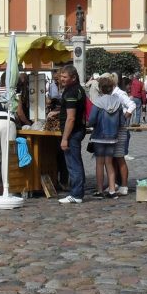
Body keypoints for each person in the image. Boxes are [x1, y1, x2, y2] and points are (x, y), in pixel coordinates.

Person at [0, 74, 28, 197]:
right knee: (8, 156)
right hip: (7, 122)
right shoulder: (14, 91)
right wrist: (28, 123)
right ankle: (9, 189)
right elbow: (19, 112)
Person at [87, 75, 124, 198]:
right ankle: (112, 190)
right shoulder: (118, 103)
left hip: (99, 136)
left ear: (101, 89)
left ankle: (99, 190)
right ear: (112, 88)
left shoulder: (98, 102)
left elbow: (91, 120)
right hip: (112, 137)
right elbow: (121, 122)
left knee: (99, 163)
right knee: (109, 163)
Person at [58, 65, 87, 205]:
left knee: (73, 164)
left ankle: (76, 194)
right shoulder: (78, 89)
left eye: (65, 77)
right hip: (78, 130)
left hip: (72, 132)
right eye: (61, 76)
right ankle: (78, 191)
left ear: (73, 77)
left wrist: (65, 138)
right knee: (76, 162)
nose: (61, 79)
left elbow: (71, 117)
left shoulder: (71, 92)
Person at [108, 73, 135, 193]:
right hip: (112, 129)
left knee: (119, 158)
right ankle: (114, 183)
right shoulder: (111, 94)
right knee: (112, 159)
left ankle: (124, 185)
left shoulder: (120, 93)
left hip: (120, 129)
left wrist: (124, 118)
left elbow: (132, 105)